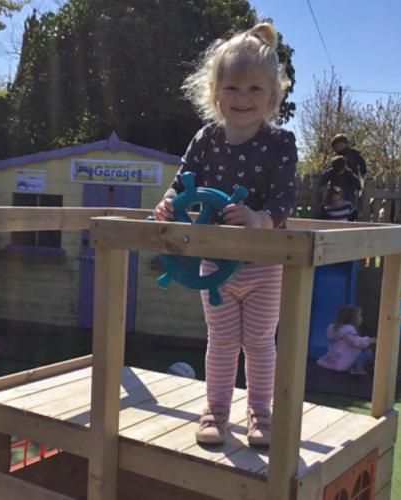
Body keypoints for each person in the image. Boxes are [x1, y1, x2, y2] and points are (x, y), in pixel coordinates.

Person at [153, 22, 298, 447]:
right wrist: (166, 205)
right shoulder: (206, 139)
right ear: (216, 92)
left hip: (264, 266)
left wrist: (261, 219)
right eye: (233, 87)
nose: (243, 98)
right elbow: (181, 184)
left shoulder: (280, 143)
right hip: (214, 262)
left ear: (272, 95)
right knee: (221, 341)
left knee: (258, 342)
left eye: (255, 89)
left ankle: (260, 415)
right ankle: (215, 411)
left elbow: (286, 197)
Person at [317, 305, 376, 376]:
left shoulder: (337, 329)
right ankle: (357, 368)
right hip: (344, 361)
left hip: (337, 357)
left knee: (363, 351)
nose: (361, 318)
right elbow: (358, 342)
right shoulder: (348, 330)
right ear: (353, 319)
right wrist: (370, 340)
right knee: (368, 352)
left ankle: (370, 366)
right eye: (359, 316)